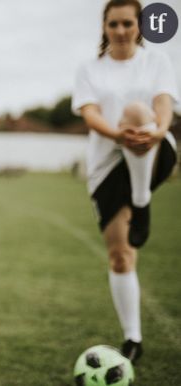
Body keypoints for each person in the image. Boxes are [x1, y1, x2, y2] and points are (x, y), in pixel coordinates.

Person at [72, 0, 178, 364]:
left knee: (136, 110)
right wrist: (120, 137)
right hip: (107, 163)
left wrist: (157, 132)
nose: (120, 31)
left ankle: (141, 198)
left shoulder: (156, 62)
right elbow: (90, 114)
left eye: (127, 23)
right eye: (113, 24)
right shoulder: (89, 69)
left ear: (140, 26)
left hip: (154, 150)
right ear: (104, 26)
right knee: (120, 255)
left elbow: (163, 104)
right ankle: (133, 339)